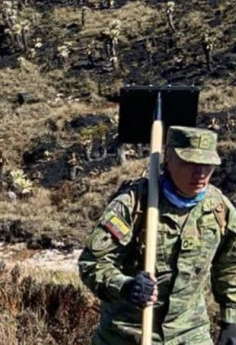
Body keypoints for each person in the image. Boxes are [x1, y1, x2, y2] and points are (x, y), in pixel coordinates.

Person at [78, 126, 236, 344]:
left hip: (189, 333)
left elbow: (230, 267)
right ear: (168, 159)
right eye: (189, 163)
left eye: (207, 165)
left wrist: (231, 321)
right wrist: (126, 286)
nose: (200, 173)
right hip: (128, 333)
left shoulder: (219, 209)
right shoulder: (134, 204)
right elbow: (92, 262)